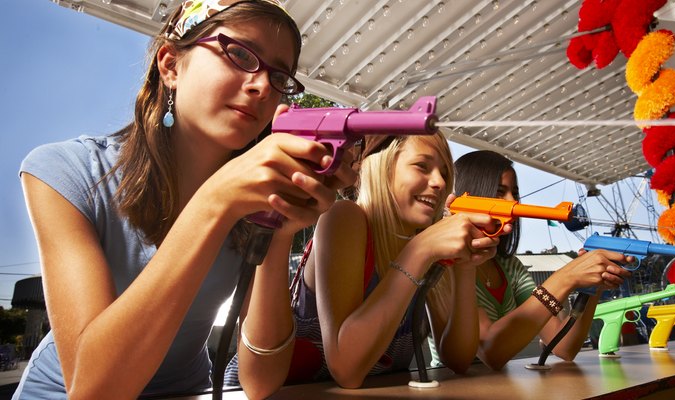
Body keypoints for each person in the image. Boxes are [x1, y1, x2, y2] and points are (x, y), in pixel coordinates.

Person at [13, 1, 355, 399]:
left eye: (280, 76)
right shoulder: (65, 171)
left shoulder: (256, 193)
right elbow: (93, 390)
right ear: (171, 65)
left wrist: (278, 232)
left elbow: (261, 382)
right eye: (240, 54)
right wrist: (214, 202)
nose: (263, 85)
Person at [283, 133, 502, 388]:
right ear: (382, 167)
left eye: (444, 172)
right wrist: (420, 250)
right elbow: (346, 369)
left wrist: (466, 265)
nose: (440, 182)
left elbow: (459, 359)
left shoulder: (427, 243)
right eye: (422, 166)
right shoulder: (345, 217)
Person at [429, 150, 632, 370]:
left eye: (514, 193)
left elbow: (564, 347)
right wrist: (565, 278)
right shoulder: (444, 265)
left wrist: (594, 283)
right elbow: (489, 350)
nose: (512, 201)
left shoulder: (509, 267)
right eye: (500, 192)